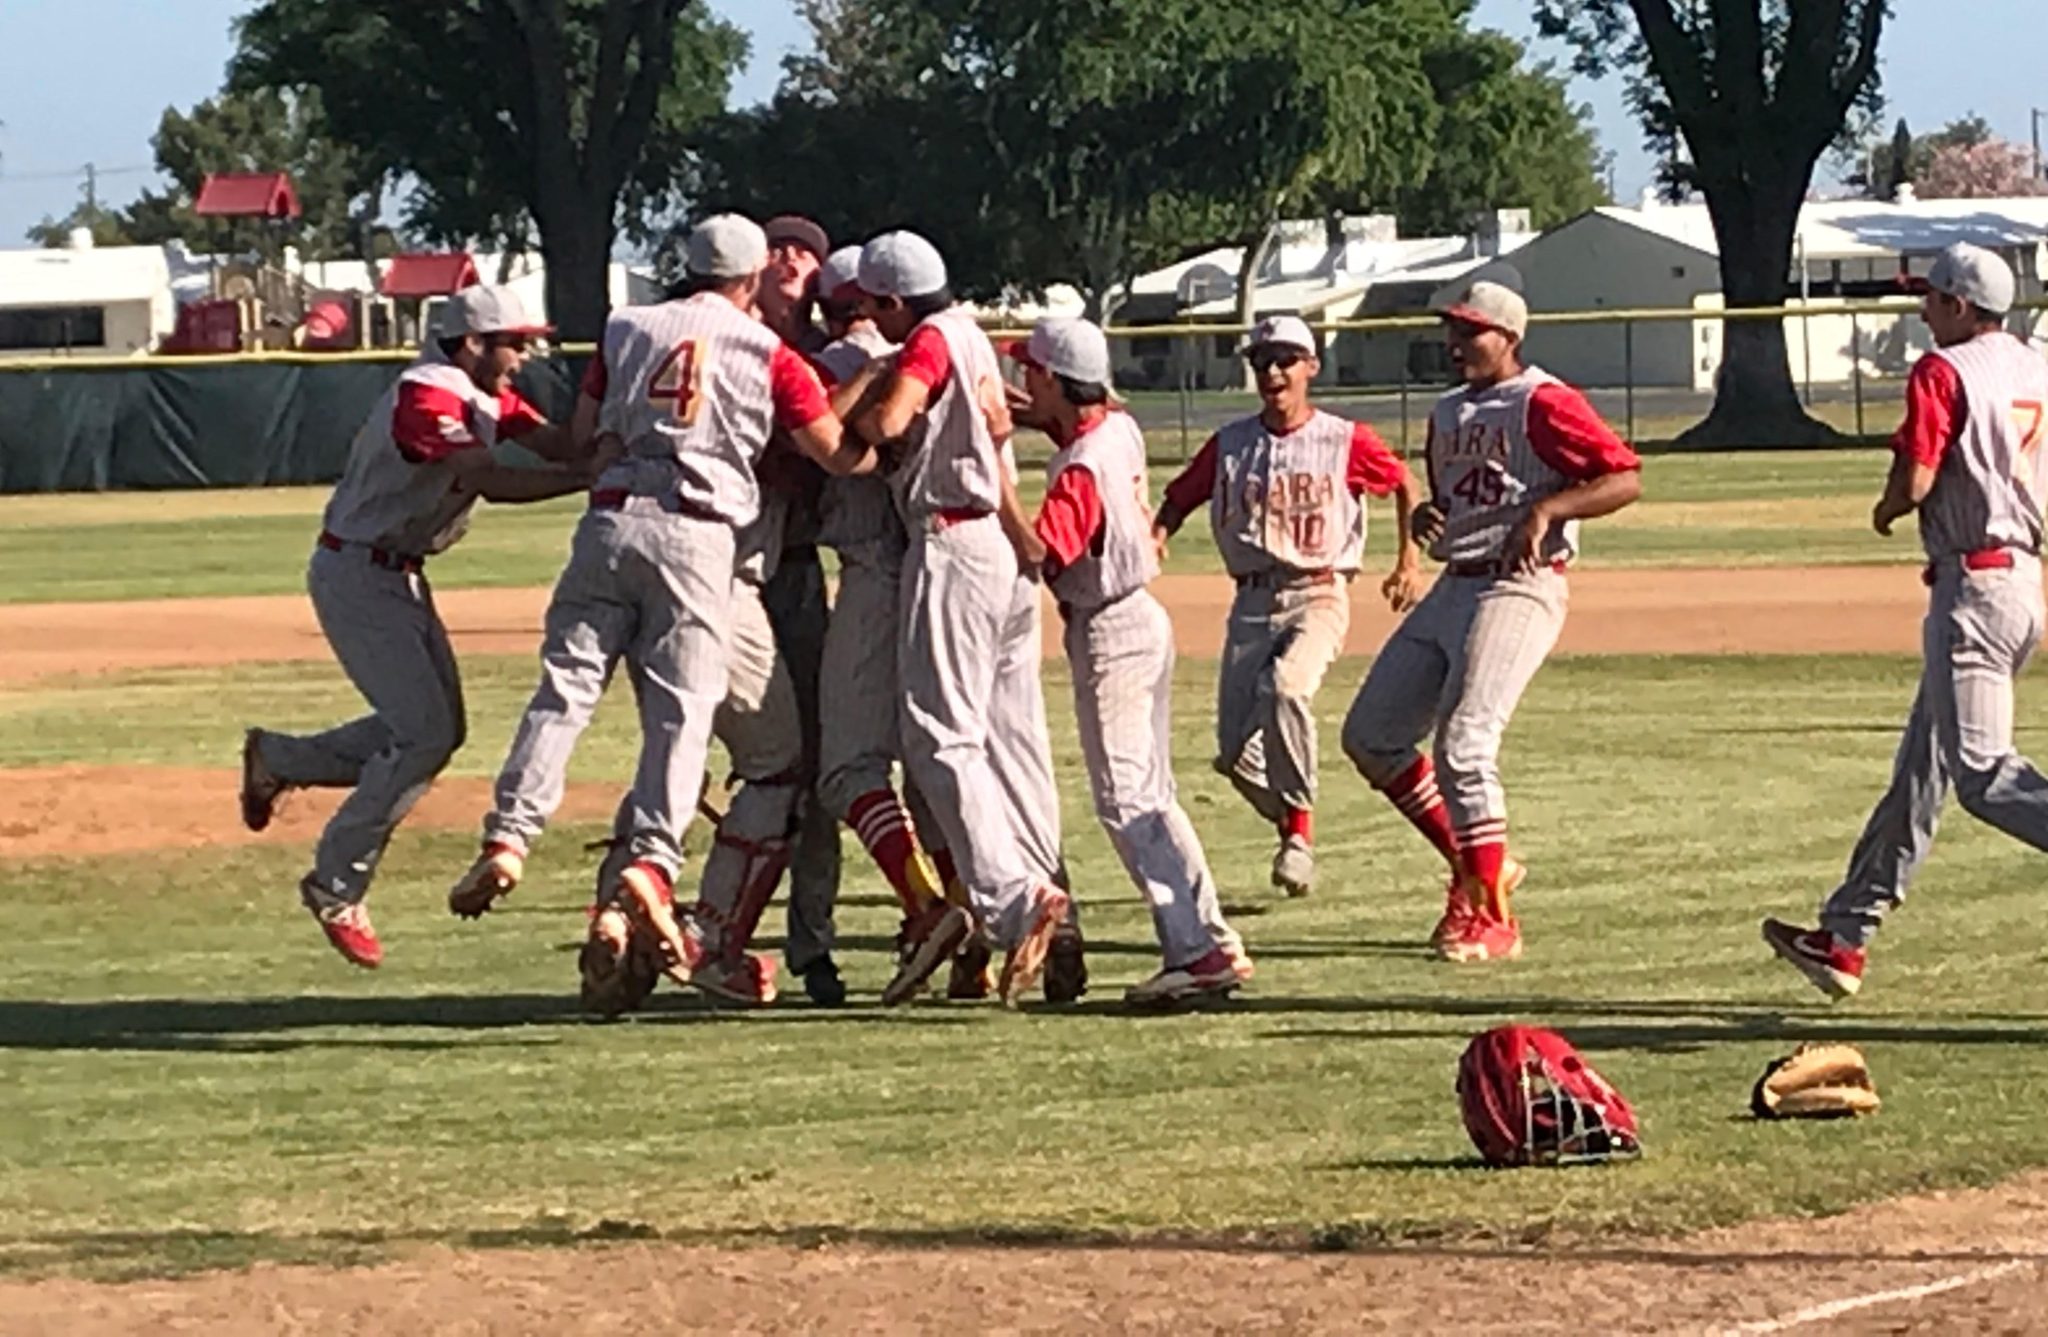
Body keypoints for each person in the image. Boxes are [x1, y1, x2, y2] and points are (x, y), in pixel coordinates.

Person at [444, 215, 875, 1001]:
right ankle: (668, 886)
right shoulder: (771, 352)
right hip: (706, 549)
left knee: (567, 690)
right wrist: (877, 428)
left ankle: (514, 836)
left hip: (609, 522)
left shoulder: (625, 324)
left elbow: (583, 434)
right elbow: (835, 450)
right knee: (732, 745)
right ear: (749, 280)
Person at [239, 286, 594, 967]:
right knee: (425, 733)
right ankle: (335, 880)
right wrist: (590, 478)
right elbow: (486, 477)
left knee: (434, 731)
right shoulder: (427, 396)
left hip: (395, 571)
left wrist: (620, 432)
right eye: (513, 343)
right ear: (470, 345)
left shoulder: (482, 394)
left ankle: (280, 759)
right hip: (358, 573)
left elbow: (560, 441)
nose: (523, 356)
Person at [1764, 242, 2048, 1000]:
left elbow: (1918, 476)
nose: (1921, 310)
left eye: (1930, 297)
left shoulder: (1943, 370)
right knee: (1924, 766)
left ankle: (1846, 931)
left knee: (1984, 775)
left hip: (1975, 584)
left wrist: (1888, 506)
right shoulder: (2031, 363)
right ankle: (1845, 934)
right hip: (2021, 579)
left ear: (1961, 305)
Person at [1342, 276, 1641, 963]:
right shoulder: (1447, 412)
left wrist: (1548, 510)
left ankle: (1492, 918)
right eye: (1452, 329)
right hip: (1456, 580)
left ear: (1509, 337)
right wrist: (1426, 520)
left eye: (1470, 331)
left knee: (1465, 744)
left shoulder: (1543, 400)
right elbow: (1453, 497)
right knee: (1372, 735)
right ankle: (1478, 864)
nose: (1455, 343)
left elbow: (1624, 477)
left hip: (1519, 585)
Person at [852, 230, 1073, 1007]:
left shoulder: (930, 340)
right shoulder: (974, 336)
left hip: (951, 536)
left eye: (872, 305)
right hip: (997, 546)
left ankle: (1017, 900)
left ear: (893, 299)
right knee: (1013, 739)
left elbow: (885, 424)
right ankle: (1050, 888)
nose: (866, 318)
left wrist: (877, 389)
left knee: (941, 737)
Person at [1012, 317, 1250, 1005]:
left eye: (1032, 371)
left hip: (1111, 627)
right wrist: (1031, 415)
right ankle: (1207, 939)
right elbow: (1078, 418)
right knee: (1150, 792)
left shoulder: (1081, 467)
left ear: (1055, 379)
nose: (1025, 380)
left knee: (1127, 799)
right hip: (1138, 616)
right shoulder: (1117, 427)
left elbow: (1045, 553)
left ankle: (1197, 948)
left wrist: (998, 507)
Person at [1152, 315, 1421, 899]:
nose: (1273, 372)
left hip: (1317, 591)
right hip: (1251, 602)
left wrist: (1408, 560)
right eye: (1262, 362)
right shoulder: (1231, 444)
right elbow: (1180, 494)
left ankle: (1300, 834)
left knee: (1286, 688)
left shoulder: (1343, 439)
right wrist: (1160, 531)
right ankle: (1290, 825)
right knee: (1232, 755)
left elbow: (1403, 482)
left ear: (1311, 367)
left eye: (1286, 360)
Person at [808, 246, 973, 986]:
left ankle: (926, 904)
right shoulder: (942, 346)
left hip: (876, 568)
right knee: (935, 762)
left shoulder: (852, 359)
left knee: (848, 767)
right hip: (940, 565)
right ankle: (970, 912)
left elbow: (818, 447)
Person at [754, 213, 846, 1005]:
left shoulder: (828, 358)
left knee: (818, 762)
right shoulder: (721, 337)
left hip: (792, 570)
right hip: (716, 571)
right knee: (681, 757)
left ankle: (811, 942)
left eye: (804, 250)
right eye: (776, 244)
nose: (788, 255)